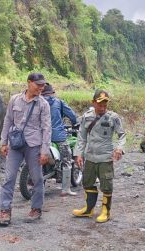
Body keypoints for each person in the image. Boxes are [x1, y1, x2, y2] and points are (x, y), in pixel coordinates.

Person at [0, 73, 51, 226]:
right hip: (15, 144)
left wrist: (44, 151)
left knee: (37, 178)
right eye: (38, 85)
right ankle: (5, 210)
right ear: (29, 83)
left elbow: (47, 129)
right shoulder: (15, 99)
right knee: (9, 177)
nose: (41, 88)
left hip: (34, 145)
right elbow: (7, 120)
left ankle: (36, 209)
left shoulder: (43, 104)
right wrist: (3, 142)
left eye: (43, 85)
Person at [72, 90, 126, 223]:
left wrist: (119, 148)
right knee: (87, 182)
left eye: (105, 104)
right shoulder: (87, 117)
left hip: (105, 157)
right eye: (100, 104)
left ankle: (106, 212)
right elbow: (81, 137)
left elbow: (122, 135)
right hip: (90, 156)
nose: (103, 107)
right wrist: (78, 154)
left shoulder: (113, 117)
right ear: (93, 103)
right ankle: (88, 209)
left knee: (106, 185)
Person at [41, 83, 78, 196]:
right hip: (57, 136)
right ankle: (65, 189)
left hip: (39, 136)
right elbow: (72, 115)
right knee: (67, 159)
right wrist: (74, 122)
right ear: (52, 93)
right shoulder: (58, 102)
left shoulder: (37, 102)